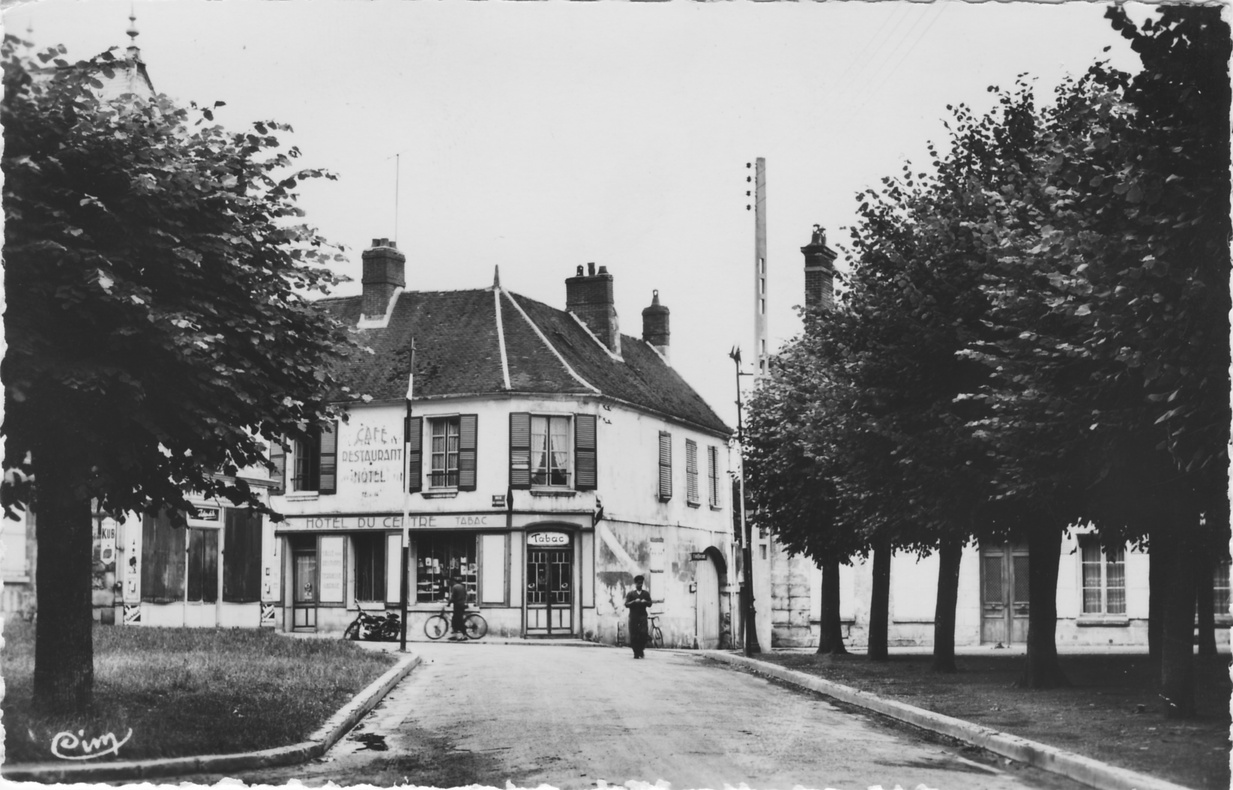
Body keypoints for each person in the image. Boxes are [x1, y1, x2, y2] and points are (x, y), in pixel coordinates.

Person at [624, 575, 652, 659]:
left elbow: (650, 603)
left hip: (643, 616)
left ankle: (641, 649)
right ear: (635, 584)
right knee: (634, 635)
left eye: (641, 583)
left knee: (643, 634)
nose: (640, 585)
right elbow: (626, 604)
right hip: (633, 617)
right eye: (639, 583)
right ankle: (636, 652)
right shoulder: (631, 594)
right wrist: (634, 602)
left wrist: (645, 602)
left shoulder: (646, 593)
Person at [448, 575, 468, 641]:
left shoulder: (454, 587)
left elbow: (453, 597)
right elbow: (466, 594)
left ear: (452, 581)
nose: (449, 584)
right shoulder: (461, 586)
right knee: (454, 620)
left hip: (458, 606)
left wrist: (448, 603)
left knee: (459, 621)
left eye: (449, 582)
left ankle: (464, 635)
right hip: (462, 605)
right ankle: (455, 635)